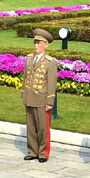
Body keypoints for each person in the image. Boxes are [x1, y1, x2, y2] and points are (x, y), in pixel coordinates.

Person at [22, 28, 57, 162]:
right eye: (35, 42)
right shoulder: (29, 59)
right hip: (30, 97)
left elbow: (51, 83)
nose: (36, 45)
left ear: (46, 45)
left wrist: (50, 101)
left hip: (42, 99)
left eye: (39, 43)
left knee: (43, 128)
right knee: (31, 127)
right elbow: (26, 78)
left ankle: (43, 153)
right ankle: (32, 151)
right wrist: (24, 95)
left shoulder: (50, 62)